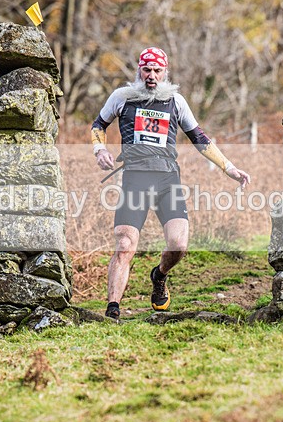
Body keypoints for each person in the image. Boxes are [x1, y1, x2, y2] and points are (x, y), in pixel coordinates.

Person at [91, 47, 251, 320]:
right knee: (125, 243)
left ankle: (159, 275)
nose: (151, 76)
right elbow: (98, 126)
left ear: (165, 72)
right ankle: (112, 310)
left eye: (157, 71)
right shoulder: (122, 97)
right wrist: (100, 150)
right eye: (147, 70)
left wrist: (229, 168)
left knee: (179, 245)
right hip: (134, 179)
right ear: (139, 70)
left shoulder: (176, 102)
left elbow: (200, 138)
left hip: (167, 180)